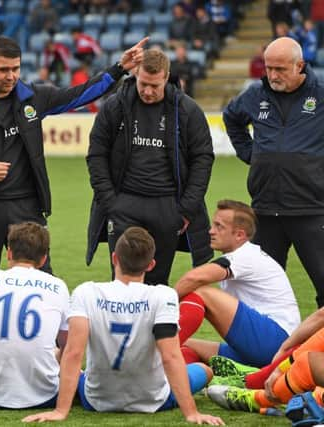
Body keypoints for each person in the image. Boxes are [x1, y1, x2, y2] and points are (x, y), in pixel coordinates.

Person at [0, 35, 148, 315]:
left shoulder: (33, 98)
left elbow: (80, 94)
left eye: (16, 69)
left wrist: (119, 68)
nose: (11, 76)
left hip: (26, 207)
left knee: (44, 281)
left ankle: (51, 353)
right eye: (3, 70)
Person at [21, 227, 224, 425]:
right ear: (151, 265)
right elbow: (170, 356)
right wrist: (191, 413)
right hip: (153, 400)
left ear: (114, 258)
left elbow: (73, 353)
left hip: (96, 400)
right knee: (204, 370)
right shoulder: (163, 295)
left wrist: (60, 411)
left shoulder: (86, 292)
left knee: (64, 358)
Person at [85, 48, 214, 286]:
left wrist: (184, 209)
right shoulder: (115, 106)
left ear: (166, 77)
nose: (147, 91)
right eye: (143, 83)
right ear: (135, 74)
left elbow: (203, 159)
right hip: (124, 204)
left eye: (154, 86)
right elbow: (96, 155)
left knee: (156, 284)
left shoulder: (187, 110)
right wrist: (111, 202)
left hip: (167, 208)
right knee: (122, 282)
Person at [223, 36, 324, 308]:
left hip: (312, 210)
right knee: (260, 291)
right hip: (266, 210)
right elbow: (231, 118)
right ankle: (266, 350)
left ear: (300, 65)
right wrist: (250, 153)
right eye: (268, 68)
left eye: (280, 69)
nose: (272, 75)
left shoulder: (321, 93)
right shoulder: (256, 94)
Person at [175, 200, 300, 368]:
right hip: (261, 347)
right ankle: (172, 375)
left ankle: (153, 355)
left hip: (275, 342)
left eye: (219, 226)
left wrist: (162, 305)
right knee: (185, 346)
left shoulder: (246, 256)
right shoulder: (243, 255)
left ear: (240, 235)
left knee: (202, 292)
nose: (211, 231)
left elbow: (194, 278)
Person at [0, 222, 70, 409]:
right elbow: (67, 345)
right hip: (47, 396)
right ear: (43, 259)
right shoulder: (58, 286)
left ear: (9, 253)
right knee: (71, 369)